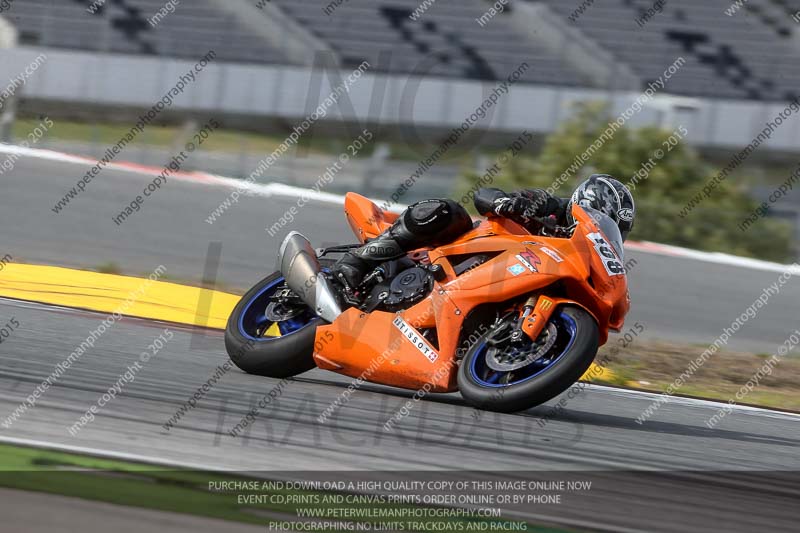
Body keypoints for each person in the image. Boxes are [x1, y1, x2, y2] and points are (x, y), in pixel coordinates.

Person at [332, 174, 635, 290]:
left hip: (502, 284)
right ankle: (356, 262)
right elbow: (486, 195)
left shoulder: (584, 257)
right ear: (585, 204)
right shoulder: (548, 206)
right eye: (600, 218)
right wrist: (505, 203)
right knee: (448, 211)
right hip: (460, 251)